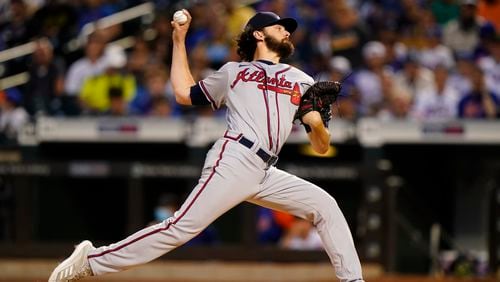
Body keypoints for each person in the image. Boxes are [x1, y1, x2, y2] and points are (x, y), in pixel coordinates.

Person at [48, 10, 365, 282]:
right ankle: (91, 261)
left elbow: (322, 146)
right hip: (235, 158)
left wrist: (317, 123)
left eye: (287, 28)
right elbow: (184, 93)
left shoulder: (302, 80)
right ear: (258, 34)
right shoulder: (234, 72)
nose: (286, 30)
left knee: (325, 206)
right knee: (179, 228)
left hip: (266, 170)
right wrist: (178, 40)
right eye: (279, 26)